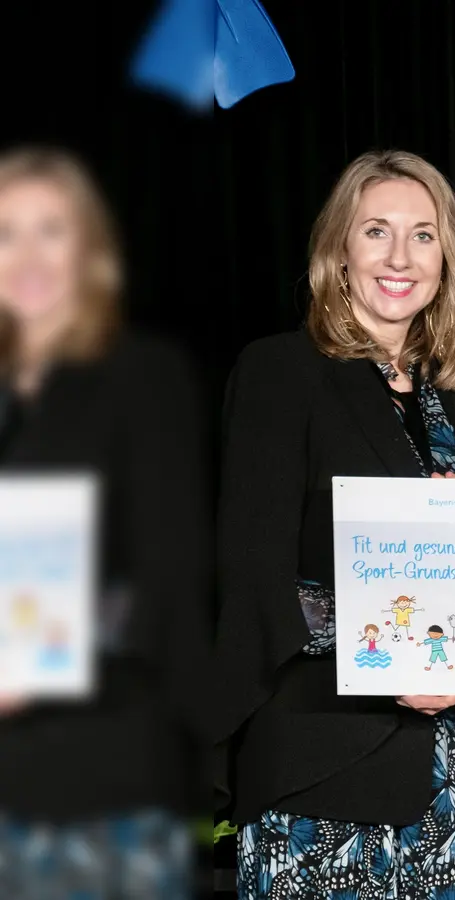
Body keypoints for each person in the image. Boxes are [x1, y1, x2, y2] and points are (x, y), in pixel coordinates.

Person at [212, 150, 455, 898]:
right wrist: (392, 666)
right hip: (327, 776)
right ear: (338, 253)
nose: (399, 257)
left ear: (447, 257)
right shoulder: (280, 372)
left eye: (423, 235)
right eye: (375, 231)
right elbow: (256, 579)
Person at [0, 146, 209, 900]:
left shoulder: (143, 378)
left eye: (50, 229)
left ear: (88, 249)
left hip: (101, 780)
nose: (27, 254)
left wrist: (30, 668)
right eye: (6, 232)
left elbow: (168, 583)